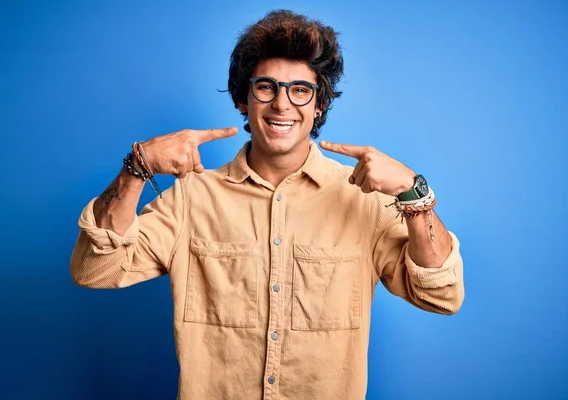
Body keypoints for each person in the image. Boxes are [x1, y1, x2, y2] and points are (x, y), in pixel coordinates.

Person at [70, 9, 464, 400]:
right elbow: (95, 268)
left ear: (319, 105)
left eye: (300, 90)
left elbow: (441, 296)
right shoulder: (192, 198)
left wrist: (415, 193)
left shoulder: (361, 198)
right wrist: (138, 167)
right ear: (243, 99)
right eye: (266, 87)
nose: (282, 104)